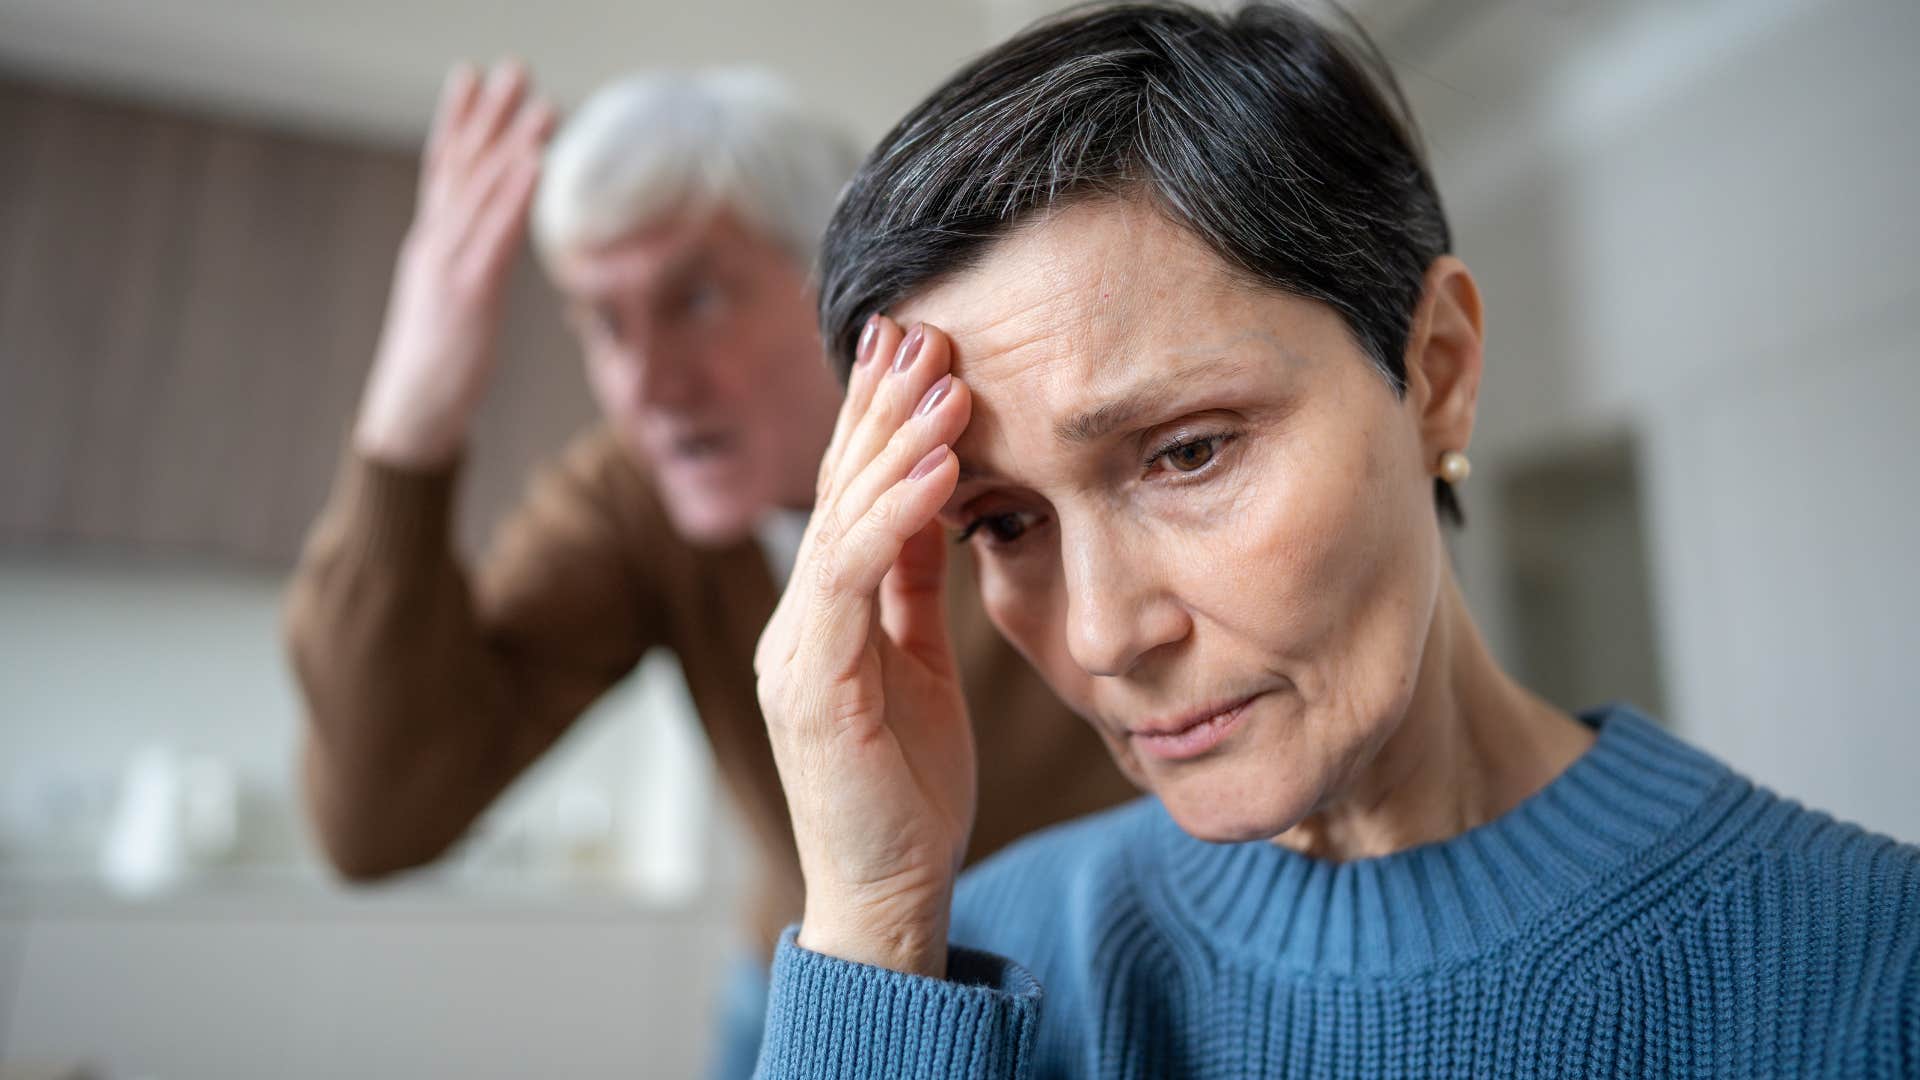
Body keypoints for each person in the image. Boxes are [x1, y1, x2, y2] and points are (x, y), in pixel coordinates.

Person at [747, 3, 1920, 1076]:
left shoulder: (1874, 971)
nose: (1106, 636)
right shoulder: (950, 978)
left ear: (1439, 372)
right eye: (1003, 522)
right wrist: (876, 914)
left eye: (1189, 452)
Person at [280, 62, 1135, 1077]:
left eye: (692, 297)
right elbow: (375, 820)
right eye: (603, 321)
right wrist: (411, 419)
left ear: (839, 286)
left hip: (1108, 984)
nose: (645, 380)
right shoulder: (634, 494)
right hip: (824, 983)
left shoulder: (1009, 435)